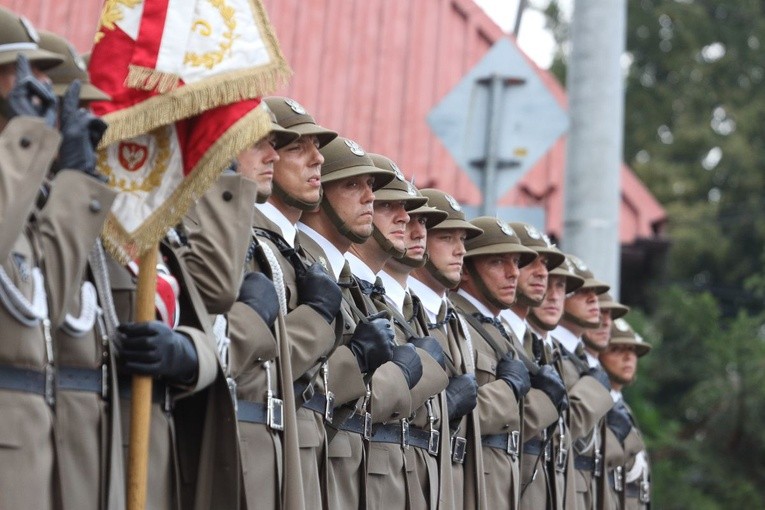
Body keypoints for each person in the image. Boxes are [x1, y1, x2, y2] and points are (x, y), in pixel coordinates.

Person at [0, 7, 115, 509]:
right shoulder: (16, 166)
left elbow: (54, 294)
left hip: (39, 439)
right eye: (25, 72)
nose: (43, 88)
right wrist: (27, 138)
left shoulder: (22, 180)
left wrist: (76, 183)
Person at [181, 101, 306, 509]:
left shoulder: (266, 246)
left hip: (268, 449)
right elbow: (203, 335)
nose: (273, 155)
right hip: (212, 443)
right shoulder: (189, 222)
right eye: (258, 144)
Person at [38, 29, 124, 510]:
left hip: (89, 440)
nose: (88, 126)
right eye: (69, 111)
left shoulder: (78, 199)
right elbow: (41, 296)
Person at [247, 96, 345, 508]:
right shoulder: (244, 237)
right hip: (253, 442)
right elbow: (248, 362)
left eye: (316, 148)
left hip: (307, 447)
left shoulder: (305, 255)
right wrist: (319, 319)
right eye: (296, 148)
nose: (317, 160)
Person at [342, 148, 447, 510]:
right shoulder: (340, 285)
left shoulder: (387, 300)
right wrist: (416, 372)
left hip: (404, 474)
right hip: (357, 471)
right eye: (391, 206)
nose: (408, 220)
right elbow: (344, 394)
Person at [297, 136, 398, 508]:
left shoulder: (346, 278)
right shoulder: (300, 263)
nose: (369, 197)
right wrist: (355, 360)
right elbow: (274, 373)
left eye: (371, 187)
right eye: (353, 185)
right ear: (318, 191)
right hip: (308, 459)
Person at [451, 217, 564, 510]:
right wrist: (538, 402)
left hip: (505, 481)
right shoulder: (457, 323)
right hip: (473, 484)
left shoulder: (498, 331)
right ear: (466, 268)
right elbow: (454, 416)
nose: (513, 273)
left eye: (515, 262)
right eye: (498, 263)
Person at [408, 189, 486, 510]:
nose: (460, 251)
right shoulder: (402, 309)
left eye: (463, 240)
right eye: (447, 238)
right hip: (411, 479)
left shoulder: (456, 322)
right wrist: (444, 406)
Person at [498, 222, 569, 510]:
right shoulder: (491, 334)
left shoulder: (534, 343)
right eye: (527, 261)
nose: (543, 273)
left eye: (546, 264)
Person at [551, 255, 616, 510]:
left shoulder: (580, 359)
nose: (594, 300)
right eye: (580, 292)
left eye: (595, 293)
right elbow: (561, 429)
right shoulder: (550, 353)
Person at [599, 319, 652, 510]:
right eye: (616, 350)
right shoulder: (595, 404)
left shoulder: (624, 408)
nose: (628, 357)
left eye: (632, 350)